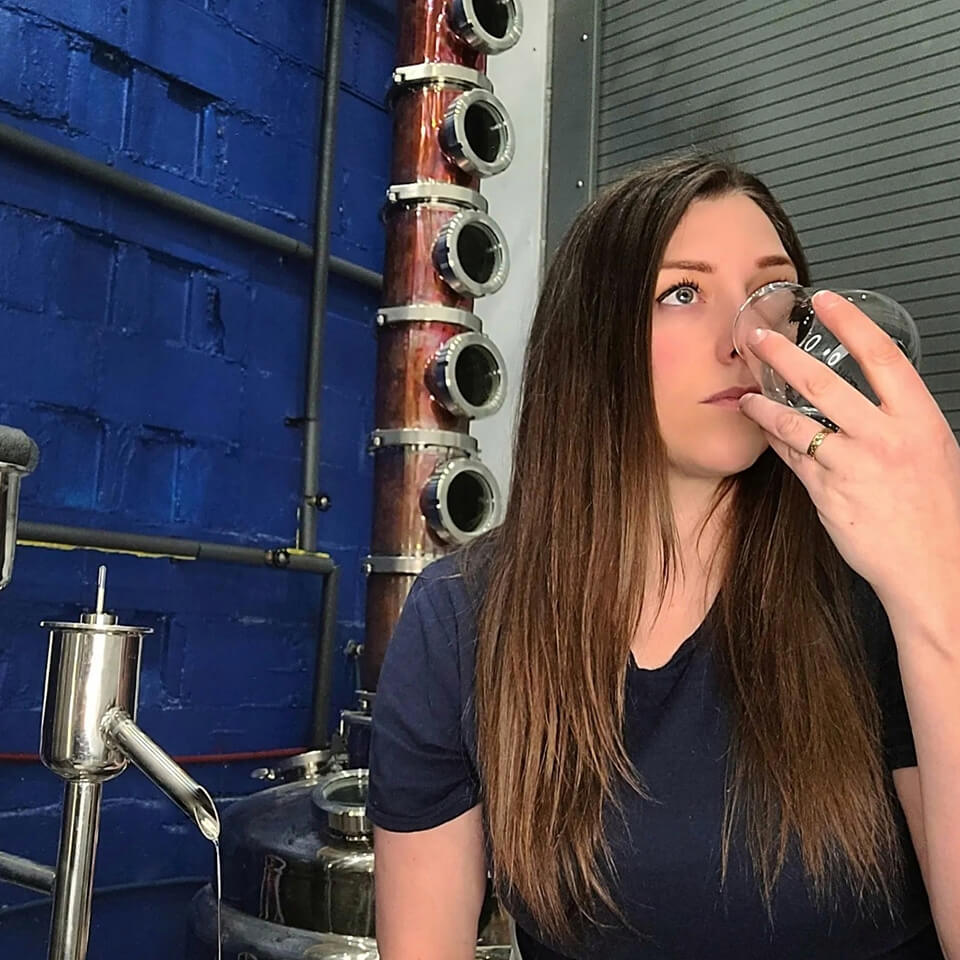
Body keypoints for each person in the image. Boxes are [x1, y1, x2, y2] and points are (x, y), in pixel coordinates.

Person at [366, 150, 960, 959]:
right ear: (591, 341)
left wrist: (936, 584)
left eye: (769, 298)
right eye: (682, 294)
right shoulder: (463, 621)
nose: (744, 341)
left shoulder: (876, 587)